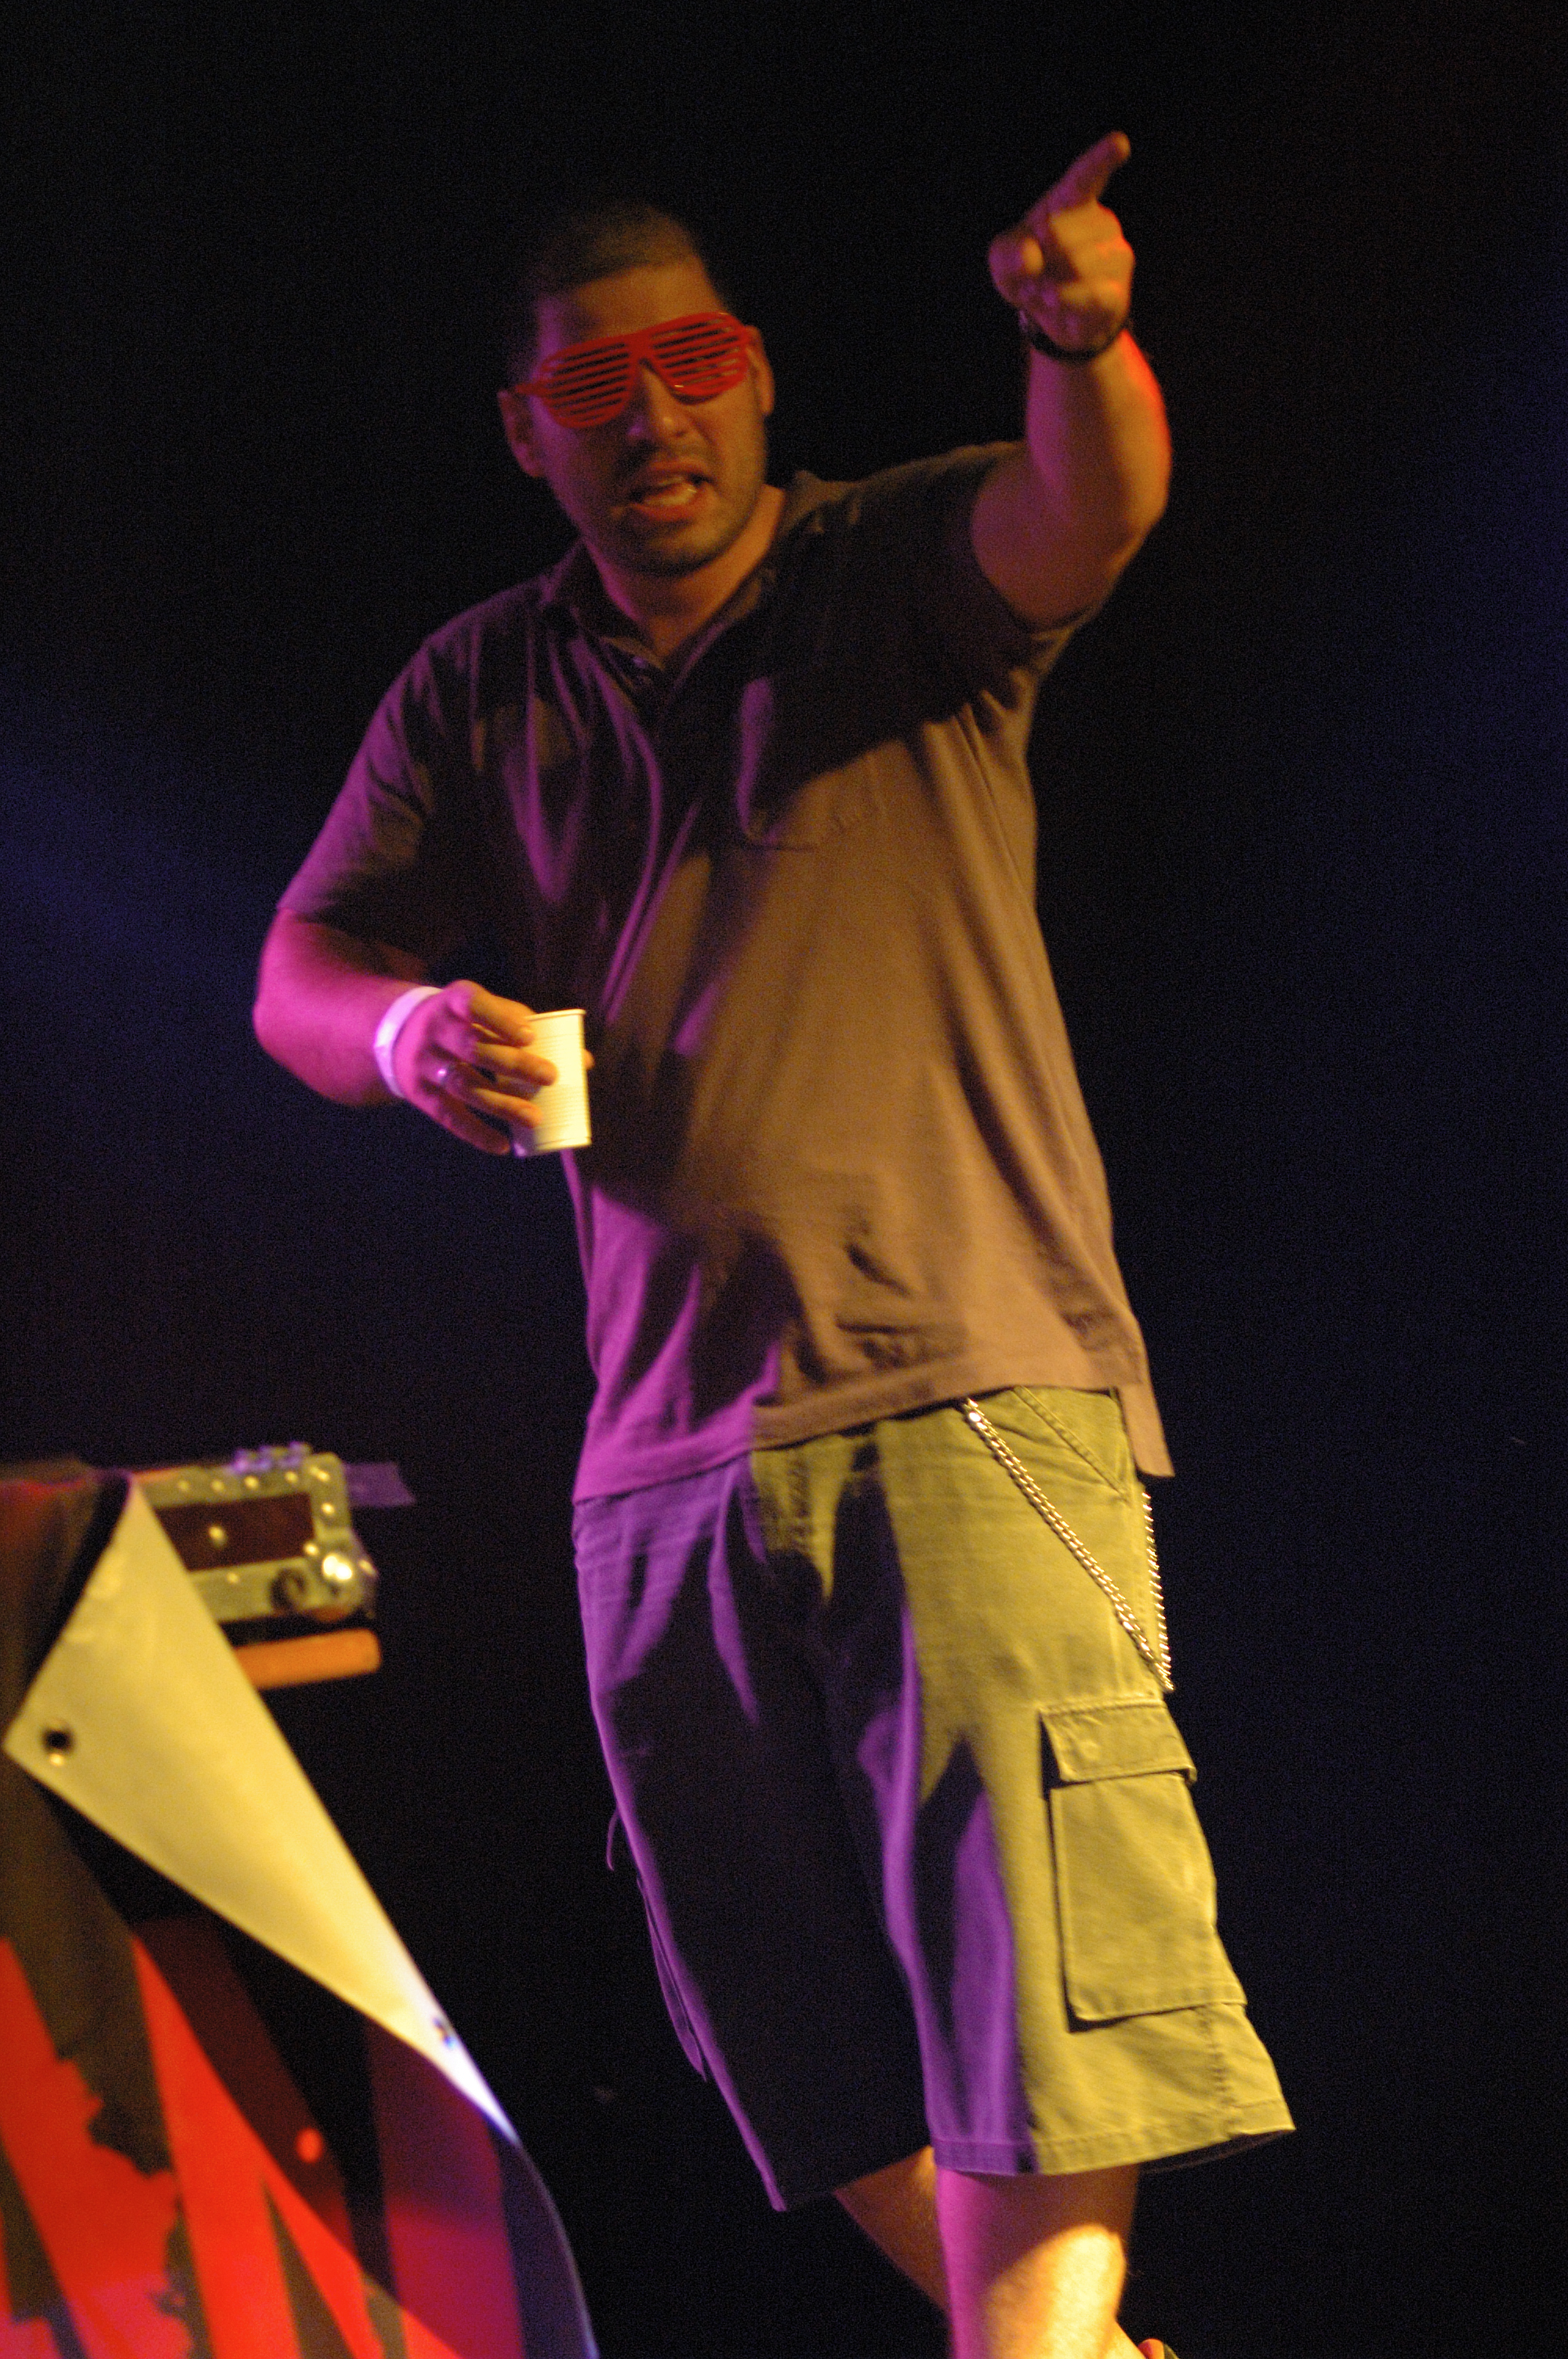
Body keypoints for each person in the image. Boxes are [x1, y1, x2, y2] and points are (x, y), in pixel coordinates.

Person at [254, 133, 1292, 2359]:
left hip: (964, 1389)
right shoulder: (482, 687)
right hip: (660, 1463)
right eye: (594, 385)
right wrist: (406, 1030)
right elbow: (300, 973)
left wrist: (1083, 343)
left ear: (756, 375)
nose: (654, 414)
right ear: (526, 432)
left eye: (695, 359)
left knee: (1045, 1973)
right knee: (787, 2040)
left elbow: (1088, 508)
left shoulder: (884, 569)